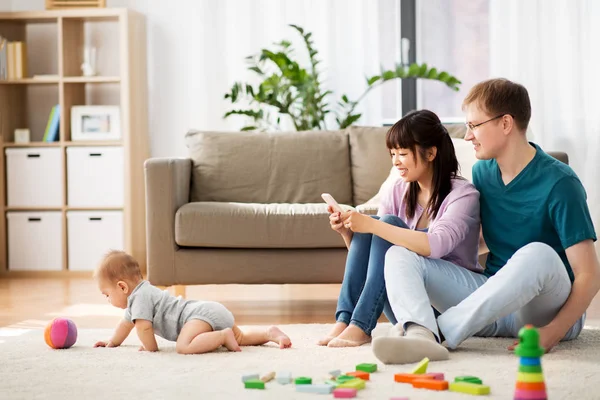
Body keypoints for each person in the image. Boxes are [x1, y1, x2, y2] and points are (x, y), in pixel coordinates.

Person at [374, 78, 600, 365]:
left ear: (506, 123)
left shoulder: (560, 183)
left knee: (537, 252)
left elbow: (590, 275)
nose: (468, 136)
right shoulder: (482, 173)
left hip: (545, 310)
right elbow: (477, 241)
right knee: (399, 254)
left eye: (474, 125)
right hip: (493, 304)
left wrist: (554, 331)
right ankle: (421, 335)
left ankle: (441, 332)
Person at [319, 109, 481, 349]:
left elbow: (435, 246)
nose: (395, 161)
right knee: (376, 226)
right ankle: (346, 319)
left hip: (448, 307)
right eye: (392, 153)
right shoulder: (398, 190)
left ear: (431, 153)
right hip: (408, 306)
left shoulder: (463, 195)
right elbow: (372, 258)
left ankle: (362, 325)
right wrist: (349, 231)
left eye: (402, 153)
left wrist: (372, 224)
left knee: (385, 224)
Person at [93, 250, 292, 353]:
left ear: (122, 287)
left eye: (106, 294)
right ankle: (269, 333)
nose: (108, 299)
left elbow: (143, 329)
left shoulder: (140, 298)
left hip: (197, 316)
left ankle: (222, 336)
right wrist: (112, 342)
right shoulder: (138, 299)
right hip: (207, 311)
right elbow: (125, 325)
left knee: (183, 346)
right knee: (240, 338)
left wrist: (151, 349)